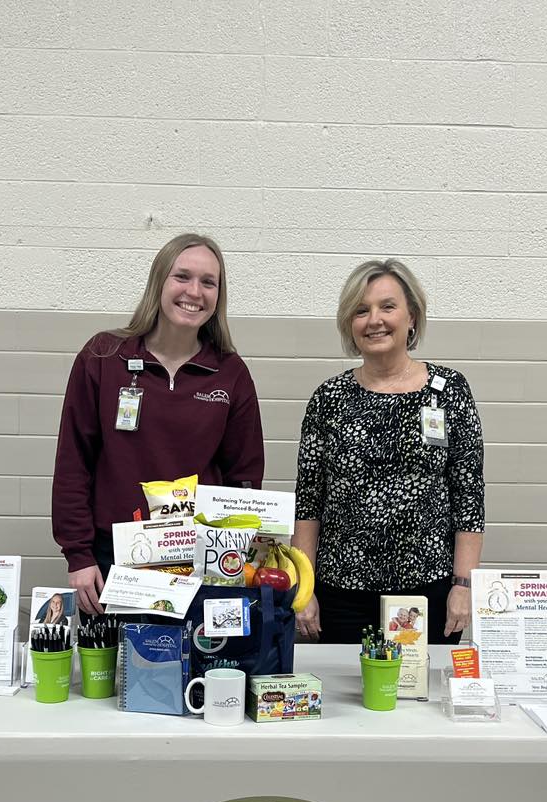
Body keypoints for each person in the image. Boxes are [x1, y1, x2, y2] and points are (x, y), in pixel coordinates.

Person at [52, 234, 265, 615]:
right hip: (112, 556)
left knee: (193, 672)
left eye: (208, 282)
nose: (194, 292)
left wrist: (233, 557)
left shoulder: (230, 374)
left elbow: (245, 478)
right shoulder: (103, 356)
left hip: (198, 558)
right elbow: (74, 463)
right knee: (116, 674)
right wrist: (79, 555)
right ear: (159, 282)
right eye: (182, 277)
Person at [292, 259, 485, 645]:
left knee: (419, 702)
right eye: (361, 310)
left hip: (427, 591)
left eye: (387, 306)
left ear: (411, 316)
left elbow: (469, 497)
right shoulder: (329, 398)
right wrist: (303, 588)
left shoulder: (449, 391)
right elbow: (309, 501)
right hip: (341, 592)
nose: (374, 320)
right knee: (349, 703)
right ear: (350, 323)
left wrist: (463, 584)